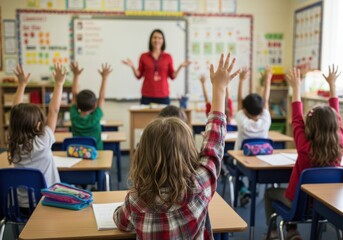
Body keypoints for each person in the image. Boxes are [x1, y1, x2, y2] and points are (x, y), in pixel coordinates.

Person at [113, 53, 240, 239]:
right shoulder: (200, 186)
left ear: (142, 154)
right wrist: (219, 89)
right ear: (189, 149)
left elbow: (120, 222)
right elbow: (215, 142)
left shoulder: (136, 200)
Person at [264, 65, 343, 240]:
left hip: (298, 206)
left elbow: (297, 119)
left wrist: (296, 88)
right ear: (336, 127)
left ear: (310, 126)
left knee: (269, 193)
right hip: (326, 206)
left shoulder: (304, 147)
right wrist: (332, 86)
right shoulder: (339, 145)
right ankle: (292, 233)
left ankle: (277, 233)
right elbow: (335, 117)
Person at [7, 64, 66, 205]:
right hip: (47, 201)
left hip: (20, 205)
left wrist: (21, 85)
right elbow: (54, 111)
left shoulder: (13, 141)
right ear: (37, 124)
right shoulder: (43, 140)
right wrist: (59, 84)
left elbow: (16, 111)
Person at [234, 66, 272, 207]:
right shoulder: (265, 121)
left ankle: (243, 190)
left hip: (241, 159)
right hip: (261, 160)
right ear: (262, 109)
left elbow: (239, 101)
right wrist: (268, 80)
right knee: (252, 172)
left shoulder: (242, 121)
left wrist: (241, 80)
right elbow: (266, 100)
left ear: (244, 109)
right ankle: (250, 188)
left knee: (230, 168)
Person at [122, 29, 191, 105]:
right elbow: (138, 75)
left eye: (159, 38)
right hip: (147, 95)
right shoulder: (143, 56)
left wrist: (180, 67)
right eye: (154, 37)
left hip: (163, 95)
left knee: (165, 117)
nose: (157, 40)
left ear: (163, 41)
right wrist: (132, 67)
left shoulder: (168, 57)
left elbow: (172, 76)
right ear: (151, 40)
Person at [69, 62, 112, 150]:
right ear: (94, 106)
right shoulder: (95, 117)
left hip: (77, 153)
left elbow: (73, 95)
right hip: (96, 154)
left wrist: (76, 75)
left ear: (77, 104)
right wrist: (104, 78)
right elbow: (102, 97)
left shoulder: (74, 116)